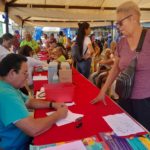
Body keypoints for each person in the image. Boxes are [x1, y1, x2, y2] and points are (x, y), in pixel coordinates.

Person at [91, 1, 150, 131]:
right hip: (124, 98)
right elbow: (116, 68)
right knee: (127, 134)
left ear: (133, 18)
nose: (118, 26)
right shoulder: (122, 43)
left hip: (146, 102)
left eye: (120, 22)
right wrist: (103, 91)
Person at [0, 54, 68, 149]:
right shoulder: (5, 94)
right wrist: (59, 115)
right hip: (17, 146)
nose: (27, 77)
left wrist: (52, 104)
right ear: (12, 73)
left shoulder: (7, 86)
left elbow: (29, 101)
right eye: (25, 73)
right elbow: (33, 129)